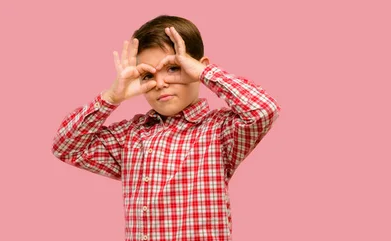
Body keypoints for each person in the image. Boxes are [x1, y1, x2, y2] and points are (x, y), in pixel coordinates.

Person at [51, 15, 280, 240]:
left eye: (172, 68)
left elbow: (263, 109)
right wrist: (112, 96)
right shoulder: (130, 136)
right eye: (148, 75)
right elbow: (66, 147)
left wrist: (204, 74)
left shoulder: (219, 131)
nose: (160, 84)